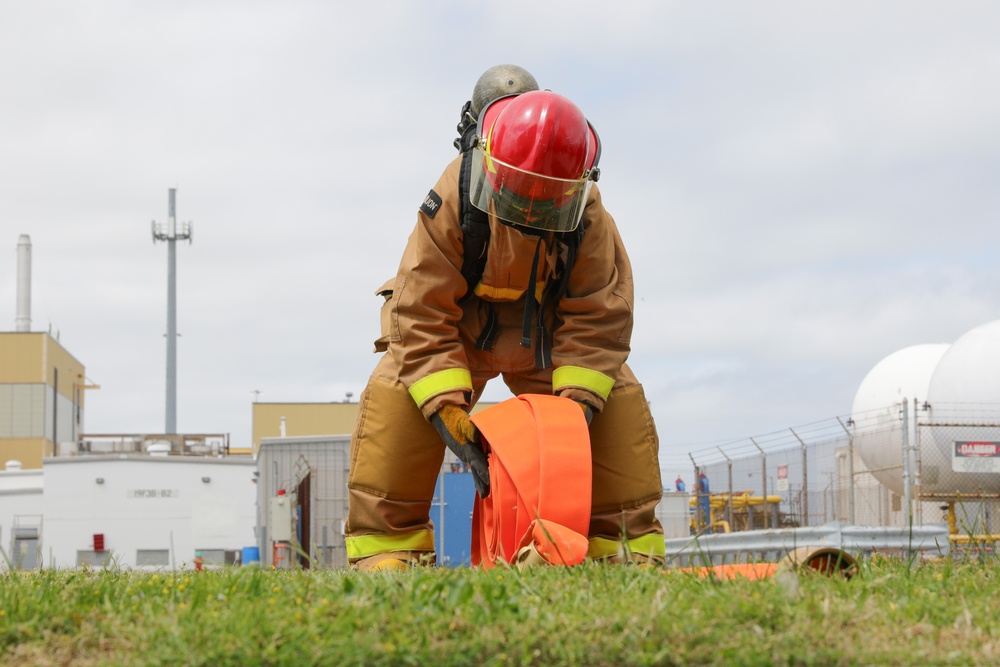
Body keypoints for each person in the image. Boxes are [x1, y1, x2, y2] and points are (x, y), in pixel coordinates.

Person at [344, 64, 664, 571]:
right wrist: (448, 414)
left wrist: (573, 415)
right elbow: (422, 309)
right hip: (461, 329)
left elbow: (599, 318)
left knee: (616, 396)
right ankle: (387, 551)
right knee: (395, 389)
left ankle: (621, 554)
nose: (533, 213)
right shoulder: (453, 193)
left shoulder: (590, 214)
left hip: (547, 335)